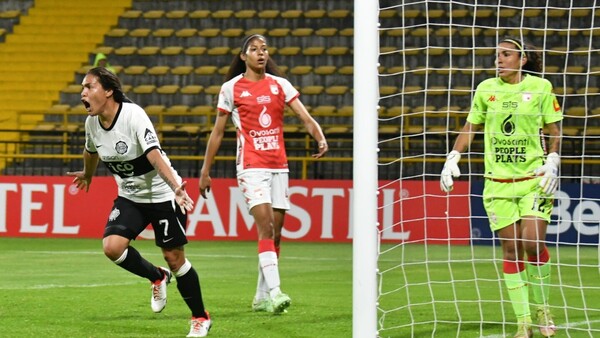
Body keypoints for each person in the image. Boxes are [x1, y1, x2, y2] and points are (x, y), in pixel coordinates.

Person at [66, 67, 211, 337]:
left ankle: (200, 317)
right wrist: (87, 175)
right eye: (82, 89)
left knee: (175, 258)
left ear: (108, 91)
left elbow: (154, 155)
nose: (83, 93)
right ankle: (156, 277)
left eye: (89, 87)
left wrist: (176, 188)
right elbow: (90, 150)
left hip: (162, 195)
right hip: (131, 196)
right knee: (112, 247)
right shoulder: (92, 123)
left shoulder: (133, 115)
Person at [440, 37, 562, 338]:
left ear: (522, 60)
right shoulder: (486, 90)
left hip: (533, 180)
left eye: (506, 54)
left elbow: (553, 131)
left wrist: (553, 160)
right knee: (510, 249)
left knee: (532, 244)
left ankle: (542, 307)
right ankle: (523, 323)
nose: (499, 59)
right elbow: (471, 127)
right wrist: (454, 156)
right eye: (497, 54)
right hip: (497, 184)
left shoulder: (540, 88)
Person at [198, 34, 328, 314]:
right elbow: (218, 131)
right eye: (254, 49)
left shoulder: (280, 84)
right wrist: (205, 171)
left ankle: (259, 297)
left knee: (276, 234)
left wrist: (319, 136)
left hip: (279, 165)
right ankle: (277, 291)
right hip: (251, 166)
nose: (261, 53)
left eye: (265, 48)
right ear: (243, 56)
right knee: (266, 226)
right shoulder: (231, 88)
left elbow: (304, 116)